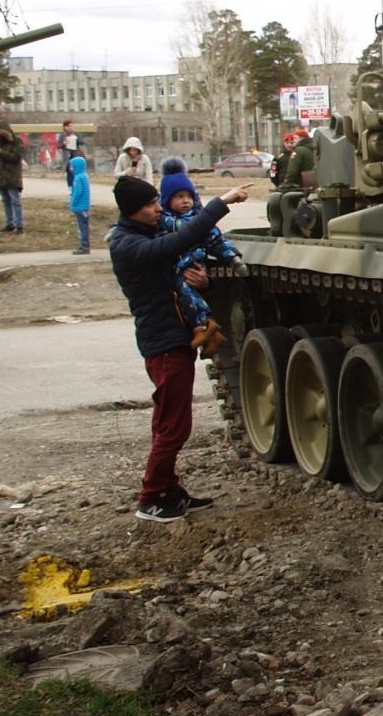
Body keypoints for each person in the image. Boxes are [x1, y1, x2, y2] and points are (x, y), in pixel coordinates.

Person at [110, 172, 249, 521]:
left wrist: (203, 279)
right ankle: (151, 497)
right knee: (174, 425)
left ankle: (169, 492)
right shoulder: (127, 244)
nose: (159, 208)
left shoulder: (145, 232)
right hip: (164, 342)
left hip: (175, 335)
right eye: (151, 204)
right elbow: (176, 243)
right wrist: (221, 203)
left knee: (169, 420)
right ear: (132, 211)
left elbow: (180, 259)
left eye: (158, 200)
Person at [159, 168, 240, 352]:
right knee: (188, 296)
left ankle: (203, 329)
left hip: (191, 264)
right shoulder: (166, 221)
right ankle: (205, 328)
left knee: (189, 294)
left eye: (188, 196)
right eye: (179, 196)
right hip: (177, 269)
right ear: (167, 200)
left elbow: (216, 239)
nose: (185, 200)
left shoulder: (198, 219)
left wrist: (230, 256)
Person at [266, 129, 316, 234]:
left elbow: (292, 172)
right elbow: (273, 173)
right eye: (287, 142)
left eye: (293, 140)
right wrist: (279, 184)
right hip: (305, 185)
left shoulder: (297, 152)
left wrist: (286, 184)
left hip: (295, 187)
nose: (290, 143)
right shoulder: (280, 157)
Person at [0, 120, 26, 234]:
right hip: (1, 176)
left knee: (15, 201)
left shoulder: (17, 142)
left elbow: (16, 157)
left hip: (12, 176)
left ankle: (19, 225)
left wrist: (2, 153)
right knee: (6, 201)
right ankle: (10, 223)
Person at [67, 153, 92, 253]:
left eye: (72, 166)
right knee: (85, 226)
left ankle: (84, 246)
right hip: (85, 206)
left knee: (82, 227)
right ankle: (86, 245)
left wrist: (72, 203)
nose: (71, 168)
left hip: (79, 206)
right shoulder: (84, 176)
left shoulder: (77, 178)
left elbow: (77, 193)